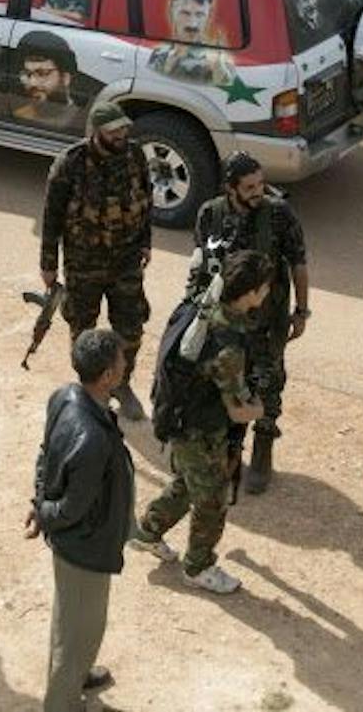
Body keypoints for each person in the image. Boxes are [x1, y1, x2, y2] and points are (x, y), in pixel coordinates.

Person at [128, 248, 272, 594]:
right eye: (264, 287)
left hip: (179, 417)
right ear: (251, 293)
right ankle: (198, 567)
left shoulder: (206, 308)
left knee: (188, 483)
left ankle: (147, 531)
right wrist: (262, 410)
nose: (267, 291)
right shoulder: (229, 346)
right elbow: (238, 410)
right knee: (211, 500)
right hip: (199, 430)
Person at [184, 155, 309, 495]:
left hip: (268, 322)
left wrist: (302, 310)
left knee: (269, 384)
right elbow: (200, 264)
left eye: (260, 183)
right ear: (231, 188)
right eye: (250, 187)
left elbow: (299, 262)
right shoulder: (211, 214)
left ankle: (264, 448)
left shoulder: (278, 213)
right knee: (225, 385)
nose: (258, 191)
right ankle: (230, 453)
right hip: (225, 324)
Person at [30, 327, 134, 711]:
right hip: (84, 549)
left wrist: (38, 500)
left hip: (79, 544)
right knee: (76, 635)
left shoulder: (65, 397)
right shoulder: (92, 438)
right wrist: (43, 511)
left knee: (74, 625)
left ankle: (78, 673)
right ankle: (62, 702)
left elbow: (45, 456)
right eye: (121, 360)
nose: (126, 363)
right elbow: (73, 509)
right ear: (107, 375)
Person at [40, 102, 153, 421]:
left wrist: (146, 242)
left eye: (123, 128)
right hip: (83, 263)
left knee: (131, 329)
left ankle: (122, 385)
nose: (121, 134)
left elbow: (146, 198)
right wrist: (48, 263)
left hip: (126, 261)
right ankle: (91, 395)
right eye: (114, 130)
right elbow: (52, 215)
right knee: (83, 333)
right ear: (97, 131)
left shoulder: (135, 156)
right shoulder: (70, 163)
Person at [12, 31, 83, 132]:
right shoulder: (20, 115)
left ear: (65, 78)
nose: (32, 83)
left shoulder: (82, 120)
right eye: (28, 74)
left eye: (42, 73)